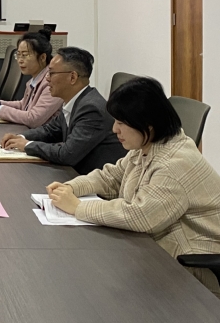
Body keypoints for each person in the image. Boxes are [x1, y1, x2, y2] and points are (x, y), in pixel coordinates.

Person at [47, 77, 220, 297]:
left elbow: (140, 216)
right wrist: (71, 188)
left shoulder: (174, 163)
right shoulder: (148, 146)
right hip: (156, 249)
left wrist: (78, 208)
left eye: (121, 123)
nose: (114, 129)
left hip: (190, 270)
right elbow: (112, 177)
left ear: (147, 125)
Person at [0, 46, 126, 174]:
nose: (47, 78)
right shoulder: (75, 101)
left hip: (94, 179)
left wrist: (27, 145)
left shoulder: (91, 109)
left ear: (72, 77)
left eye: (51, 73)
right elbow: (50, 130)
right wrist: (20, 137)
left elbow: (67, 154)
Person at [0, 30, 62, 128]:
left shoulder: (52, 83)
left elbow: (34, 118)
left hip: (45, 136)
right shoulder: (34, 80)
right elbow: (23, 105)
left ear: (42, 57)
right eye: (18, 55)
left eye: (25, 55)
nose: (20, 60)